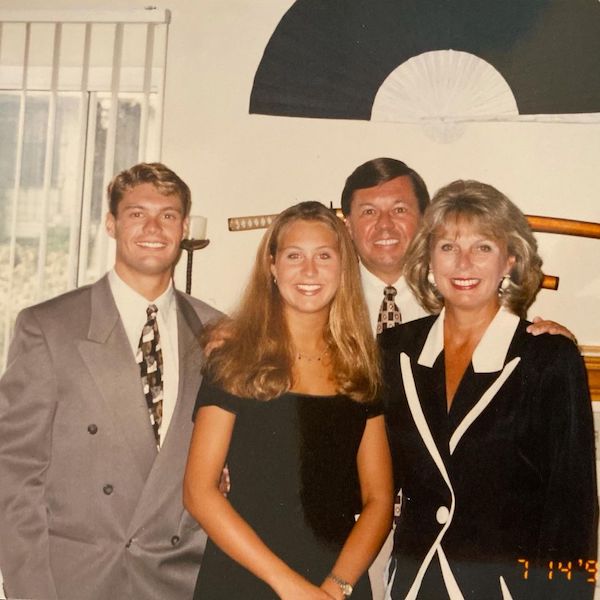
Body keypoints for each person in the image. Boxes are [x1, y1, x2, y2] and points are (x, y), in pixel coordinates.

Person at [0, 163, 220, 600]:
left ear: (183, 227)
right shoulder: (49, 326)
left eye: (168, 215)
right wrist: (30, 590)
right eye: (137, 214)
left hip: (183, 581)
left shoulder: (216, 331)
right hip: (79, 581)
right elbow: (14, 475)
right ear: (111, 223)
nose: (154, 227)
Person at [380, 180, 598, 599]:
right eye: (447, 247)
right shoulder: (394, 351)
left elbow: (573, 512)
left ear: (510, 261)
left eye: (483, 247)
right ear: (428, 259)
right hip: (414, 584)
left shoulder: (549, 358)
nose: (464, 263)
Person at [183, 201, 393, 599]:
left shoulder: (362, 365)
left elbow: (379, 499)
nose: (309, 271)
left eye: (324, 256)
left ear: (344, 268)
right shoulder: (235, 357)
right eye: (294, 256)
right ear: (272, 266)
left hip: (335, 583)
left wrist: (334, 588)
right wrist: (289, 587)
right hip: (243, 578)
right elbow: (198, 491)